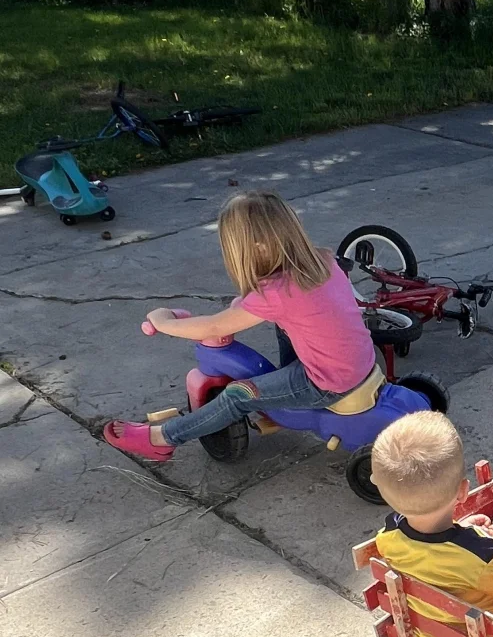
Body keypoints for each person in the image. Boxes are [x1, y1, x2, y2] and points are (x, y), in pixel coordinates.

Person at [102, 191, 377, 462]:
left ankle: (163, 439)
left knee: (237, 395)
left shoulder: (278, 292)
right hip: (358, 362)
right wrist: (241, 306)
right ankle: (281, 391)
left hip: (328, 384)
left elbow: (212, 329)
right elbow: (278, 307)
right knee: (285, 326)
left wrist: (163, 322)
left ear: (256, 248)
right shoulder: (321, 260)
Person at [371, 412, 493, 637]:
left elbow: (433, 550)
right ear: (463, 491)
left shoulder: (388, 537)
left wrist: (462, 527)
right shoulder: (481, 556)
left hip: (428, 635)